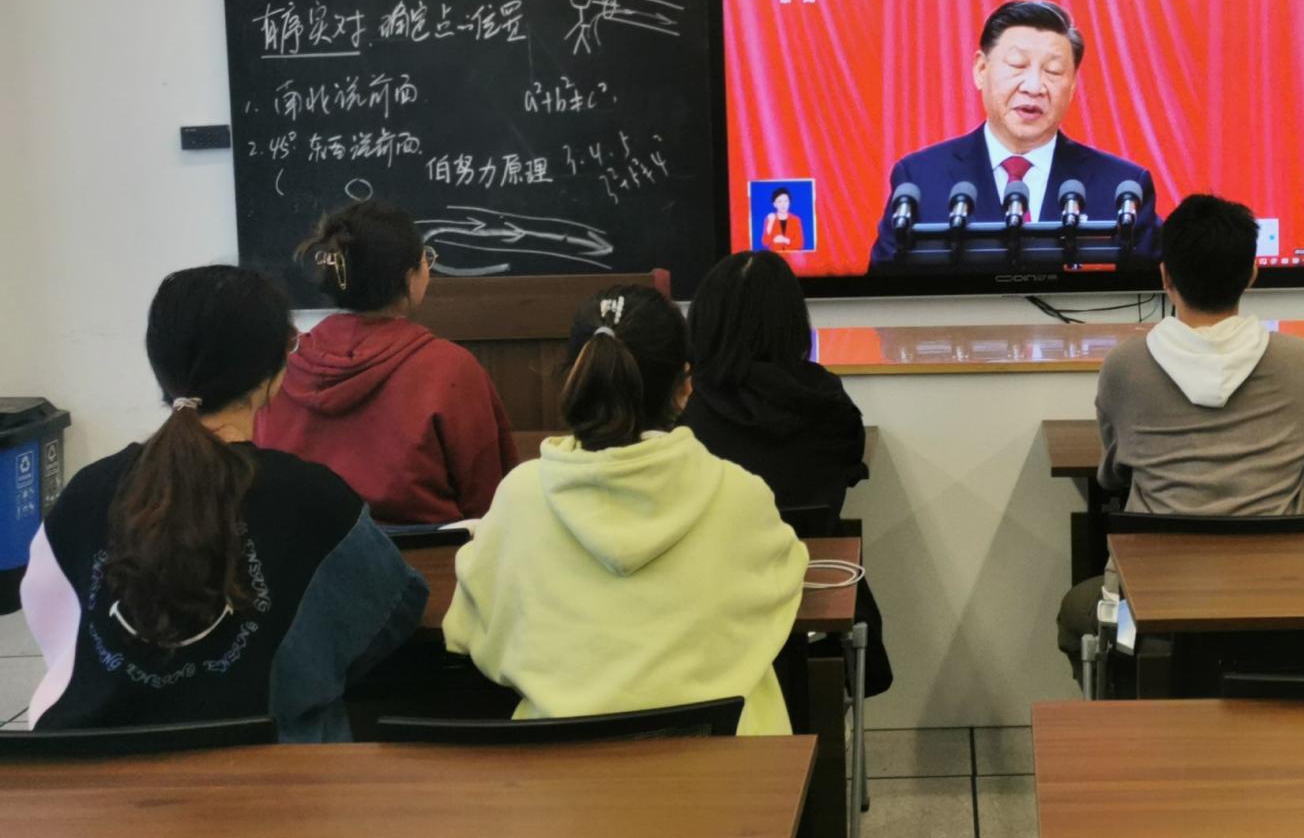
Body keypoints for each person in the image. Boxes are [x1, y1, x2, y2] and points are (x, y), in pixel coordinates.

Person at [21, 266, 426, 741]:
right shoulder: (316, 500)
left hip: (90, 771)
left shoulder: (85, 494)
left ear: (160, 366)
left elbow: (56, 632)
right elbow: (392, 615)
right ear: (274, 372)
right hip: (276, 772)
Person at [443, 284, 809, 734]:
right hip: (726, 765)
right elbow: (784, 589)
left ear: (573, 377)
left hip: (557, 768)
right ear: (685, 386)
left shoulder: (519, 496)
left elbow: (466, 630)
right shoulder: (740, 495)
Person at [1054, 194, 1304, 673]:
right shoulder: (1300, 361)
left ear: (1165, 276)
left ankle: (1129, 698)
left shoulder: (1125, 364)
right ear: (1252, 274)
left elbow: (1112, 473)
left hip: (1149, 598)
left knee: (1079, 611)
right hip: (1280, 592)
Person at [681, 250, 893, 696]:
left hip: (707, 621)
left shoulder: (689, 419)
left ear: (705, 322)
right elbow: (848, 467)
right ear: (793, 322)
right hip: (814, 603)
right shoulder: (829, 402)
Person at [257, 200, 518, 525]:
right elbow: (490, 501)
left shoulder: (282, 366)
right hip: (430, 553)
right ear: (409, 278)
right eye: (426, 259)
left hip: (305, 553)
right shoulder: (450, 369)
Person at [869, 0, 1160, 269]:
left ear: (1072, 85)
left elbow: (1152, 296)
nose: (1034, 87)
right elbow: (882, 296)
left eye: (1053, 71)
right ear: (981, 69)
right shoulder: (920, 178)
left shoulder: (1123, 187)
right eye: (1018, 65)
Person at [760, 188, 802, 253]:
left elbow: (799, 244)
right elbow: (765, 243)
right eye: (779, 201)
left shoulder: (795, 220)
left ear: (789, 202)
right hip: (775, 256)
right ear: (774, 204)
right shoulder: (770, 218)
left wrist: (785, 240)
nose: (783, 204)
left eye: (786, 201)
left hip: (792, 255)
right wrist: (770, 223)